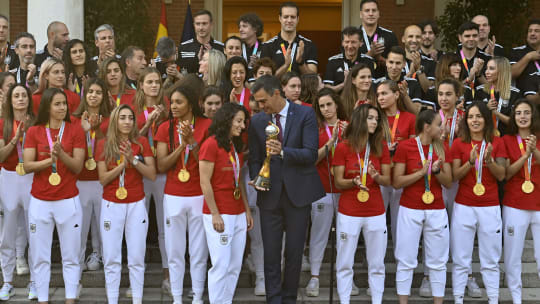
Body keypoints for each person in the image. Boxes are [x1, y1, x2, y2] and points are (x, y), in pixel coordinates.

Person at [248, 75, 325, 304]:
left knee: (293, 254)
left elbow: (311, 154)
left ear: (276, 94)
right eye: (258, 103)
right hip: (269, 196)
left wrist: (283, 152)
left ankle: (289, 298)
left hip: (298, 196)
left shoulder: (305, 114)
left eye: (263, 101)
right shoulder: (257, 121)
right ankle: (273, 299)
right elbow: (254, 157)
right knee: (271, 255)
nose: (261, 107)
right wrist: (256, 176)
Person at [23, 87, 86, 303]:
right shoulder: (34, 131)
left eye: (64, 104)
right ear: (47, 106)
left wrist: (61, 155)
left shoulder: (75, 130)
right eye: (57, 104)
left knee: (71, 255)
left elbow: (77, 166)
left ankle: (70, 298)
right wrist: (50, 160)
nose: (62, 108)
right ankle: (42, 298)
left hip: (68, 200)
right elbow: (28, 165)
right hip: (40, 201)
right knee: (40, 257)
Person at [154, 84, 211, 304]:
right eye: (172, 102)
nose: (174, 106)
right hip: (174, 195)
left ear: (190, 103)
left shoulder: (207, 125)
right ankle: (177, 298)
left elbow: (206, 161)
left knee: (198, 251)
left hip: (199, 194)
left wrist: (192, 142)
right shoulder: (165, 128)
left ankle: (197, 297)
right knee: (174, 250)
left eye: (179, 102)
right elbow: (161, 165)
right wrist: (180, 146)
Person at [95, 104, 156, 304]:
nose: (127, 121)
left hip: (136, 203)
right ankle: (112, 300)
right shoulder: (103, 144)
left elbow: (152, 174)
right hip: (112, 204)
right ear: (115, 120)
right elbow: (103, 179)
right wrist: (123, 164)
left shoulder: (141, 143)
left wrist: (134, 161)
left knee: (136, 256)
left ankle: (137, 299)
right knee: (111, 257)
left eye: (130, 117)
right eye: (122, 117)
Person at [392, 109, 452, 304]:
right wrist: (421, 173)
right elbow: (397, 182)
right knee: (406, 259)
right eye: (438, 124)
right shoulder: (405, 147)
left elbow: (449, 182)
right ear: (427, 127)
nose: (442, 128)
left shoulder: (442, 147)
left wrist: (435, 172)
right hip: (410, 208)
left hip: (436, 209)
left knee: (438, 262)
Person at [450, 101, 507, 304]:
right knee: (461, 258)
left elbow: (502, 176)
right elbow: (454, 176)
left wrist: (489, 161)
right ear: (466, 120)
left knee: (490, 258)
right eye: (471, 117)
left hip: (490, 206)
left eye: (479, 116)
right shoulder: (459, 143)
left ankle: (493, 299)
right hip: (464, 205)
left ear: (486, 119)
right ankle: (458, 298)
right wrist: (470, 163)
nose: (475, 120)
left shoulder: (497, 143)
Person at [333, 104, 390, 303]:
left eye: (376, 118)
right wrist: (353, 182)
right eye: (371, 118)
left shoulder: (380, 146)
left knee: (377, 264)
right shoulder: (342, 147)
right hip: (349, 211)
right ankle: (345, 300)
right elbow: (338, 182)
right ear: (360, 120)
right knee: (344, 262)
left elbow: (388, 180)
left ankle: (377, 300)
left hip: (375, 210)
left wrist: (376, 176)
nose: (375, 121)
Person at [200, 102, 253, 303]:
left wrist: (247, 210)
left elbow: (238, 179)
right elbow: (204, 181)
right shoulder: (210, 144)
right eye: (238, 121)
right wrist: (215, 213)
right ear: (227, 120)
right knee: (220, 265)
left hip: (238, 211)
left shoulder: (234, 145)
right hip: (220, 212)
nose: (242, 126)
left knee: (234, 266)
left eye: (243, 122)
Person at [305, 88, 348, 297]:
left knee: (345, 235)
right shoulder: (316, 129)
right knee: (319, 234)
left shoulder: (348, 128)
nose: (326, 109)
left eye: (329, 104)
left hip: (345, 189)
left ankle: (343, 278)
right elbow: (312, 159)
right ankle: (314, 277)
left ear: (336, 104)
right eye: (321, 106)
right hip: (322, 188)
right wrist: (330, 144)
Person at [133, 67, 169, 293]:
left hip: (164, 172)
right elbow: (130, 140)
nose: (154, 85)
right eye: (149, 82)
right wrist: (147, 124)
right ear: (141, 85)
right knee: (138, 225)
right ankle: (137, 276)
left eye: (157, 81)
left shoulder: (168, 109)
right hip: (142, 172)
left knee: (166, 225)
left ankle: (168, 275)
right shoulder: (135, 110)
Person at [71, 78, 112, 275]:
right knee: (81, 223)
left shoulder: (111, 119)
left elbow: (110, 149)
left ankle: (98, 254)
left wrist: (96, 130)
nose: (93, 95)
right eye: (90, 92)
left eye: (98, 92)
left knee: (102, 222)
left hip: (103, 179)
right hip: (80, 179)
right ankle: (77, 260)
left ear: (104, 96)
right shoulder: (73, 119)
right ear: (84, 95)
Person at [502, 99, 540, 304]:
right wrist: (525, 155)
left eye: (526, 112)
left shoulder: (539, 138)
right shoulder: (506, 141)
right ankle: (517, 299)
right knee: (513, 256)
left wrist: (533, 150)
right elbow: (506, 173)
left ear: (533, 115)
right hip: (515, 203)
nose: (523, 116)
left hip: (539, 203)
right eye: (518, 113)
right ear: (514, 117)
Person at [0, 84, 36, 300]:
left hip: (31, 178)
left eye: (24, 95)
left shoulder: (37, 122)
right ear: (10, 100)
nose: (21, 99)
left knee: (35, 232)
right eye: (16, 95)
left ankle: (34, 281)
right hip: (9, 178)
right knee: (7, 234)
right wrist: (16, 138)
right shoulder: (3, 124)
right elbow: (1, 156)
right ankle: (8, 281)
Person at [375, 80, 416, 245]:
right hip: (380, 175)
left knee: (400, 221)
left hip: (401, 176)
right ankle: (376, 259)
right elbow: (370, 145)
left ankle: (401, 260)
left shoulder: (410, 118)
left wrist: (400, 147)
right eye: (378, 94)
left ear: (397, 94)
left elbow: (413, 147)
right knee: (378, 219)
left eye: (384, 93)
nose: (380, 98)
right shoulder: (376, 118)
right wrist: (386, 147)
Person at [466, 57, 521, 136]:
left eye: (491, 69)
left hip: (508, 139)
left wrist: (496, 113)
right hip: (484, 139)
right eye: (486, 68)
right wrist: (486, 109)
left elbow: (516, 122)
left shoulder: (515, 93)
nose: (486, 72)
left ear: (502, 71)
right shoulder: (480, 90)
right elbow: (471, 118)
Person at [260, 1, 318, 77]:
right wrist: (286, 65)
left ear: (298, 19)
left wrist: (301, 62)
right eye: (286, 17)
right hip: (277, 89)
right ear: (280, 18)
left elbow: (312, 78)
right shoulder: (267, 46)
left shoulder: (308, 45)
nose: (289, 20)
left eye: (293, 17)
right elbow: (265, 79)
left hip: (300, 89)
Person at [324, 26, 375, 92]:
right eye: (347, 42)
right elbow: (327, 89)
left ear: (361, 43)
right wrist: (344, 84)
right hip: (339, 101)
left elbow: (371, 87)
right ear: (342, 43)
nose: (350, 46)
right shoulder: (332, 61)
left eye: (353, 42)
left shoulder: (368, 61)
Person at [373, 46, 423, 113]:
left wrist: (405, 96)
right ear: (386, 62)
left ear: (404, 64)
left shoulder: (413, 83)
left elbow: (416, 112)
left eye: (398, 63)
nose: (394, 67)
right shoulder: (376, 84)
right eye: (391, 62)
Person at [177, 9, 224, 74]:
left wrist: (212, 57)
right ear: (194, 25)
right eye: (198, 24)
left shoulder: (221, 48)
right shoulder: (183, 48)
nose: (201, 27)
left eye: (204, 24)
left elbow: (224, 73)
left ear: (211, 24)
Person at [357, 0, 399, 73]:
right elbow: (349, 65)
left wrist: (380, 58)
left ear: (378, 13)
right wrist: (370, 54)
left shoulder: (390, 35)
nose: (371, 14)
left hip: (384, 82)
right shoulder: (353, 37)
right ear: (361, 14)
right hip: (360, 82)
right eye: (367, 11)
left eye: (374, 10)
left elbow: (398, 64)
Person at [510, 19, 540, 102]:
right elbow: (510, 74)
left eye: (536, 31)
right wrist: (528, 57)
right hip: (521, 103)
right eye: (530, 31)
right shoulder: (517, 51)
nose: (532, 33)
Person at [401, 25, 436, 93]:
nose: (414, 40)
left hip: (423, 103)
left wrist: (418, 68)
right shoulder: (395, 61)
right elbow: (392, 87)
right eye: (410, 36)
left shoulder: (431, 63)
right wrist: (410, 74)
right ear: (403, 39)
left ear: (422, 40)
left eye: (418, 37)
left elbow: (429, 91)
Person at [456, 21, 490, 91]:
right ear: (460, 38)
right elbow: (447, 89)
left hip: (482, 100)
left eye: (474, 36)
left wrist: (479, 75)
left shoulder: (488, 59)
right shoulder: (451, 59)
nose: (471, 39)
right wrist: (468, 79)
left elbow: (493, 90)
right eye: (467, 36)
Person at [238, 13, 264, 81]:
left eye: (244, 26)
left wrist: (260, 64)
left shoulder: (265, 47)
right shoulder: (238, 48)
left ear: (255, 29)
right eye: (240, 27)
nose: (240, 29)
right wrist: (249, 66)